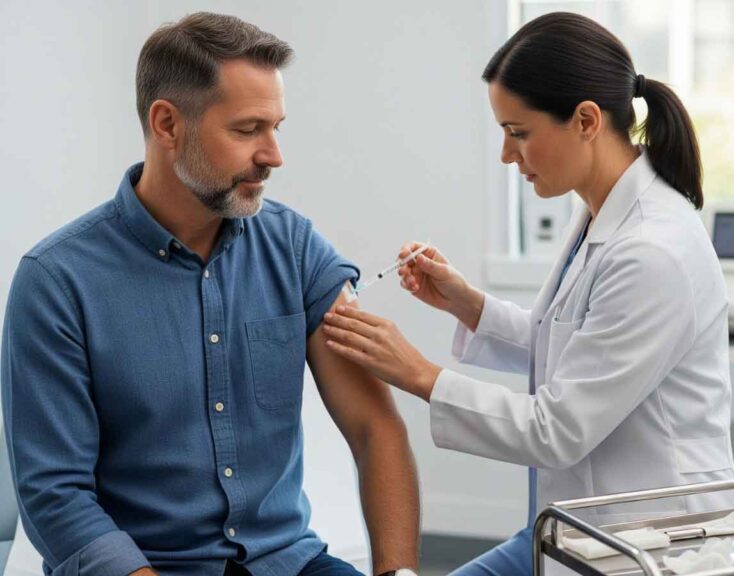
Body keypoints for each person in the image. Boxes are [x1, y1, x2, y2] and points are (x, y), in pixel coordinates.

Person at [320, 11, 734, 576]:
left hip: (656, 541)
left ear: (586, 120)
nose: (506, 155)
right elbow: (571, 347)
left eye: (518, 133)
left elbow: (558, 430)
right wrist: (464, 302)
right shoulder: (599, 214)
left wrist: (417, 373)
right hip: (579, 526)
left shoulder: (653, 250)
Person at [1, 13, 420, 576]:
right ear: (168, 124)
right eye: (248, 130)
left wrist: (400, 573)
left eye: (277, 127)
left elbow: (376, 428)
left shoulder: (295, 249)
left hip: (287, 563)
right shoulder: (56, 282)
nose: (274, 155)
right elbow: (56, 494)